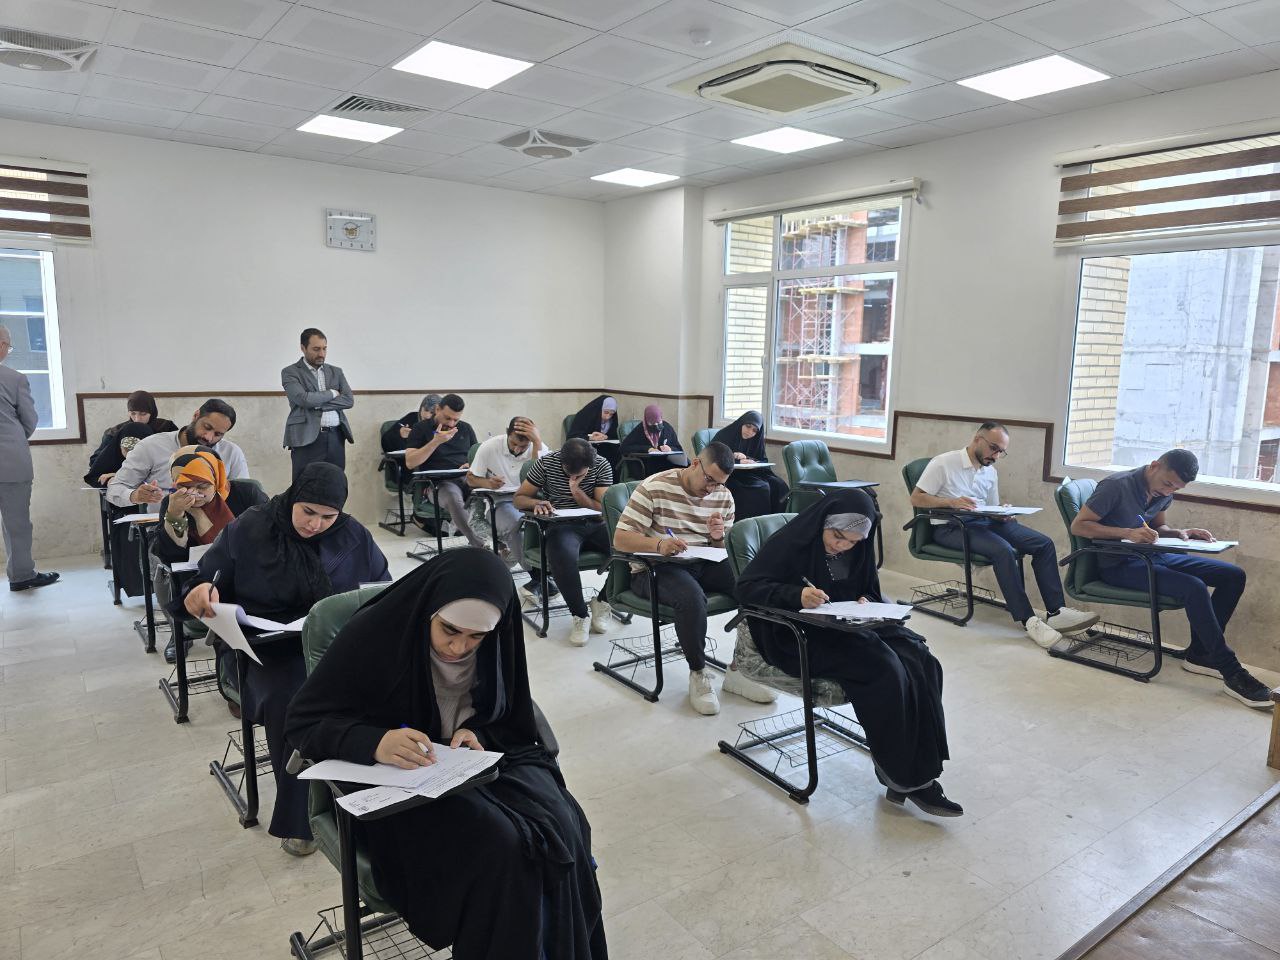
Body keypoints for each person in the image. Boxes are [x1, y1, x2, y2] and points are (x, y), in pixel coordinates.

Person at [285, 549, 607, 960]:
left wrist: (479, 730)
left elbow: (511, 717)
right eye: (449, 630)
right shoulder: (374, 634)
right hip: (402, 782)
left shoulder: (496, 638)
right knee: (503, 847)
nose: (458, 647)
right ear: (429, 611)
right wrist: (375, 741)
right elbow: (303, 722)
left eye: (475, 637)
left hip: (485, 759)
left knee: (563, 825)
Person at [184, 463, 390, 854]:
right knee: (296, 696)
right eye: (308, 512)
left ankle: (371, 798)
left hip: (334, 645)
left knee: (382, 682)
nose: (315, 524)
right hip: (263, 650)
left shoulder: (352, 536)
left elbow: (380, 591)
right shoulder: (250, 528)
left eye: (327, 516)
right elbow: (205, 577)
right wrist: (201, 591)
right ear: (294, 497)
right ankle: (303, 818)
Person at [736, 490, 962, 817]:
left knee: (921, 658)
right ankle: (902, 775)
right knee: (883, 666)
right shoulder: (790, 542)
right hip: (796, 633)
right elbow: (747, 588)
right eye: (837, 536)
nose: (842, 546)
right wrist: (796, 594)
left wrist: (866, 600)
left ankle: (921, 767)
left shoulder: (858, 548)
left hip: (847, 625)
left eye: (853, 542)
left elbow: (867, 587)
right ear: (823, 524)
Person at [1071, 449, 1271, 709]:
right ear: (1154, 465)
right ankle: (1231, 672)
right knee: (1194, 587)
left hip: (1154, 556)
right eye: (1167, 484)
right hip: (1119, 565)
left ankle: (1200, 654)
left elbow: (1158, 528)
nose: (1168, 491)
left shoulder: (1163, 491)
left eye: (1175, 488)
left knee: (1233, 576)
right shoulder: (1116, 486)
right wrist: (1127, 533)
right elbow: (1079, 525)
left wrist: (1180, 532)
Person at [612, 442, 777, 715]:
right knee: (691, 598)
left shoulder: (723, 495)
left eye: (719, 483)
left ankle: (739, 670)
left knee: (753, 587)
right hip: (655, 567)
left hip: (702, 562)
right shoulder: (654, 487)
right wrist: (658, 545)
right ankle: (698, 674)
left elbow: (721, 551)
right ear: (695, 463)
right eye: (709, 479)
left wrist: (717, 538)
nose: (711, 488)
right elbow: (620, 539)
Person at [911, 421, 1097, 648]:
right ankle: (1028, 620)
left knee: (1043, 543)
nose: (996, 456)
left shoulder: (990, 472)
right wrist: (951, 502)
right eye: (994, 448)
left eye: (1001, 452)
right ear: (977, 439)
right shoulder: (943, 463)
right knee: (1003, 550)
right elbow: (916, 498)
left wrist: (1002, 512)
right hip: (951, 526)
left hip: (984, 521)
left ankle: (1056, 612)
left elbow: (991, 506)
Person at [152, 445, 268, 663]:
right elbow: (170, 555)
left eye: (202, 485)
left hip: (247, 571)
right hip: (198, 578)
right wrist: (175, 514)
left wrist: (204, 519)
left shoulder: (246, 494)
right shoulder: (173, 502)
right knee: (166, 578)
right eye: (185, 486)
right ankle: (180, 634)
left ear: (216, 477)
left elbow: (267, 536)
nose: (194, 493)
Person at [514, 438, 611, 646]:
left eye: (581, 473)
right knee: (562, 556)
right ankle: (580, 615)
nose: (574, 477)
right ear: (562, 461)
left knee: (629, 551)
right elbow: (519, 498)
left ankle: (602, 601)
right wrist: (536, 502)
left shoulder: (601, 464)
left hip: (596, 524)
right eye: (570, 473)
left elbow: (602, 509)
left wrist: (577, 491)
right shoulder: (546, 463)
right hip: (562, 525)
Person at [106, 399, 249, 509]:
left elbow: (244, 497)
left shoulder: (231, 453)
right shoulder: (151, 446)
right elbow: (114, 490)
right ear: (196, 416)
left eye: (218, 434)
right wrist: (134, 496)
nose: (208, 437)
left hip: (216, 532)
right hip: (161, 529)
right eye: (207, 427)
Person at [0, 325, 57, 591]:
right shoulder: (14, 379)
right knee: (17, 523)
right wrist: (13, 438)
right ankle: (21, 576)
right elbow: (29, 420)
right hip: (10, 461)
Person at [403, 393, 482, 548]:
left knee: (490, 492)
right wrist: (435, 442)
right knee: (453, 497)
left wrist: (470, 464)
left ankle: (501, 543)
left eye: (455, 420)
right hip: (437, 484)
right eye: (447, 418)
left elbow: (477, 457)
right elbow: (410, 462)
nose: (451, 424)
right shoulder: (420, 428)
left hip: (466, 478)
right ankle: (480, 545)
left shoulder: (465, 428)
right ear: (437, 409)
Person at [467, 416, 549, 561]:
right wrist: (488, 483)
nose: (517, 449)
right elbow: (470, 479)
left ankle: (535, 564)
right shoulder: (490, 446)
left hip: (531, 501)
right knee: (518, 525)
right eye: (514, 443)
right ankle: (534, 570)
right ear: (507, 432)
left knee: (548, 527)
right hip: (500, 502)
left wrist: (536, 443)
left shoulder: (539, 447)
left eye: (523, 446)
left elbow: (543, 479)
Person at [282, 327, 354, 480]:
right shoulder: (290, 372)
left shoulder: (336, 372)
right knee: (304, 485)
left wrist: (317, 403)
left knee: (336, 484)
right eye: (316, 349)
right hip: (306, 438)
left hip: (336, 437)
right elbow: (303, 399)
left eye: (324, 348)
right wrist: (332, 393)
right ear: (303, 348)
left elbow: (348, 400)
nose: (321, 354)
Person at [84, 390, 177, 484]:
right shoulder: (115, 432)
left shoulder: (166, 428)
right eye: (133, 413)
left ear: (152, 412)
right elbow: (96, 463)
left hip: (161, 483)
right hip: (122, 485)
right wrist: (119, 474)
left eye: (143, 414)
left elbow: (177, 459)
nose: (137, 419)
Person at [712, 411, 789, 519]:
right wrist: (736, 460)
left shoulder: (756, 440)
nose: (750, 432)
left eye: (754, 430)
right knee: (761, 487)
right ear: (742, 423)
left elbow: (762, 460)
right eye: (748, 426)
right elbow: (714, 457)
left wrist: (749, 459)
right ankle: (751, 523)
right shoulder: (725, 435)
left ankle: (775, 522)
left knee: (779, 485)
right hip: (729, 474)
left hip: (750, 473)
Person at [620, 404, 686, 477]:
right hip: (645, 466)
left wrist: (670, 449)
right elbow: (624, 448)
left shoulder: (667, 428)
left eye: (659, 422)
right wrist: (648, 449)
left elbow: (679, 448)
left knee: (684, 467)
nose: (656, 425)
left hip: (666, 464)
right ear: (647, 421)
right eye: (652, 423)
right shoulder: (640, 430)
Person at [83, 421, 154, 488]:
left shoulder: (154, 456)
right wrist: (110, 480)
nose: (130, 455)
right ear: (119, 446)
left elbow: (154, 478)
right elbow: (94, 477)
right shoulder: (113, 454)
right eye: (127, 450)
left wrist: (118, 476)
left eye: (135, 451)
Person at [568, 394, 620, 473]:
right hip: (586, 449)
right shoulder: (584, 416)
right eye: (606, 412)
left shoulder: (612, 421)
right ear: (599, 409)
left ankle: (610, 479)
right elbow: (572, 437)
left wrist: (606, 437)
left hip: (605, 450)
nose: (608, 417)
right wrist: (590, 437)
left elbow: (614, 436)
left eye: (611, 414)